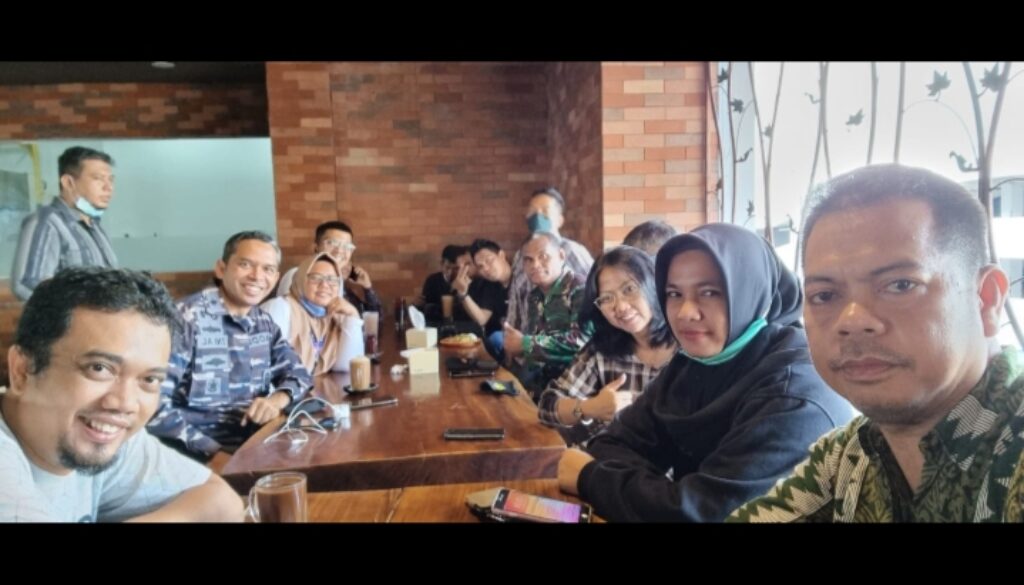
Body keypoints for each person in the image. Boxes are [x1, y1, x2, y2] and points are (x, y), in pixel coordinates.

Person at [730, 164, 1023, 522]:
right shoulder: (850, 455)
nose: (852, 320)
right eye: (825, 295)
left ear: (986, 299)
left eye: (900, 285)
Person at [558, 224, 852, 522]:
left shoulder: (795, 393)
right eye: (674, 293)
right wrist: (665, 497)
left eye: (710, 292)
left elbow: (708, 514)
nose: (685, 312)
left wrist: (591, 477)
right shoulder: (692, 364)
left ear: (750, 290)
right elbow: (610, 445)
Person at [0, 267, 243, 522]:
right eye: (99, 368)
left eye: (149, 379)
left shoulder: (100, 436)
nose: (125, 403)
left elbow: (223, 503)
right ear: (22, 370)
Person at [147, 231, 312, 465]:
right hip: (192, 459)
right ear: (221, 269)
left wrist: (276, 400)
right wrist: (213, 454)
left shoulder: (262, 323)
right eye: (246, 265)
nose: (257, 276)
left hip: (252, 449)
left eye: (267, 269)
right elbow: (150, 404)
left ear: (276, 278)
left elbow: (299, 374)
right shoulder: (185, 319)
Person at [537, 246, 677, 446]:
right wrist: (589, 407)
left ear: (652, 284)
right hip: (607, 458)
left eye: (629, 289)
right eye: (606, 298)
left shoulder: (689, 346)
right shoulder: (602, 349)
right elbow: (547, 406)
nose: (620, 307)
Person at [11, 146, 118, 301]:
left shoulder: (94, 227)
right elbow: (27, 285)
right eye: (98, 178)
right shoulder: (47, 223)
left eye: (111, 179)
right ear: (68, 182)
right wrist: (79, 312)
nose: (108, 187)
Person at [503, 232, 590, 398]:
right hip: (545, 381)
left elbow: (580, 342)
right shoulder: (534, 296)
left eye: (543, 256)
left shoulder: (580, 288)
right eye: (528, 260)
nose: (535, 265)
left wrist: (525, 344)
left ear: (561, 256)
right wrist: (517, 348)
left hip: (578, 384)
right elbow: (535, 347)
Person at [505, 187, 594, 332]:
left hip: (567, 341)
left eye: (545, 211)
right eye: (533, 211)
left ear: (559, 220)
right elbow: (516, 303)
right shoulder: (520, 255)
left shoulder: (573, 251)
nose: (538, 216)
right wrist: (511, 334)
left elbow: (594, 291)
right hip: (527, 339)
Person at [262, 253, 365, 376]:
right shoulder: (279, 309)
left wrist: (353, 317)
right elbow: (262, 369)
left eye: (332, 280)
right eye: (315, 278)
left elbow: (347, 365)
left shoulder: (334, 316)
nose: (325, 285)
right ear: (301, 280)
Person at [277, 220, 382, 316]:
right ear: (316, 247)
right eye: (332, 243)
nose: (339, 250)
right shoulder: (296, 275)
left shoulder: (337, 282)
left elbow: (372, 318)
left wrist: (367, 288)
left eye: (347, 246)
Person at [457, 239, 513, 361]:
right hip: (504, 340)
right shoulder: (490, 284)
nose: (486, 269)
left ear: (501, 255)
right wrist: (463, 294)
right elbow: (482, 319)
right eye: (480, 266)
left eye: (489, 261)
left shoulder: (521, 279)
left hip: (525, 338)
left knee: (495, 338)